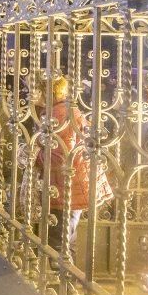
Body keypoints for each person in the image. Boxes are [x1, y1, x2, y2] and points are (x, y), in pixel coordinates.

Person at [37, 76, 113, 259]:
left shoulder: (60, 114)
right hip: (68, 185)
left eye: (35, 89)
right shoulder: (59, 111)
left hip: (67, 185)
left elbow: (61, 156)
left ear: (48, 92)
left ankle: (63, 283)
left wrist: (32, 155)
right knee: (64, 236)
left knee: (60, 241)